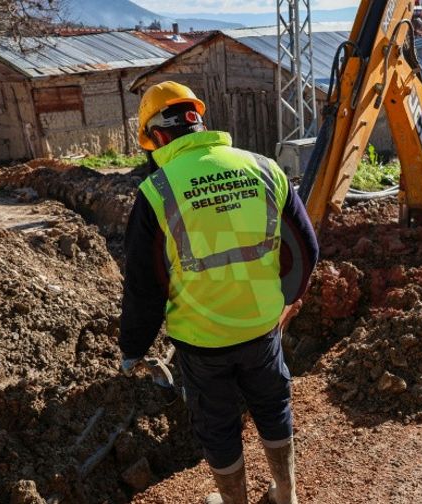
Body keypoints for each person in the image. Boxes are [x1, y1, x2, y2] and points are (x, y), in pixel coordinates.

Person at [118, 81, 319, 504]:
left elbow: (144, 284)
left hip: (202, 340)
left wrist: (133, 348)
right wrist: (287, 301)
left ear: (156, 136)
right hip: (263, 326)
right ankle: (287, 496)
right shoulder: (264, 168)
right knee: (272, 406)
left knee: (218, 425)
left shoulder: (157, 192)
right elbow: (305, 248)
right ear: (197, 121)